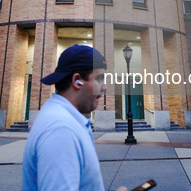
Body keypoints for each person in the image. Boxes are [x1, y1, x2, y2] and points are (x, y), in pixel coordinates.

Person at [22, 45, 127, 191]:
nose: (104, 87)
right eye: (99, 79)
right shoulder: (61, 129)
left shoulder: (62, 118)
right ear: (77, 80)